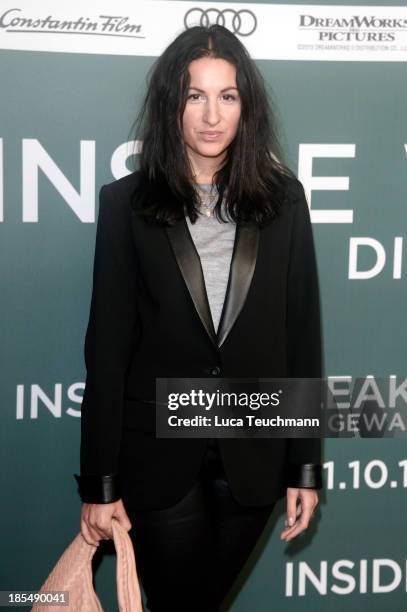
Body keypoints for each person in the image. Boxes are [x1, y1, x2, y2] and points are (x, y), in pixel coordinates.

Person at [74, 24, 323, 612]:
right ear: (171, 105)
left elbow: (302, 335)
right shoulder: (126, 205)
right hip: (157, 460)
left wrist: (305, 465)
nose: (212, 115)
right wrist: (100, 484)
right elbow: (107, 352)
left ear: (246, 106)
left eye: (227, 96)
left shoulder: (285, 202)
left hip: (255, 459)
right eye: (195, 95)